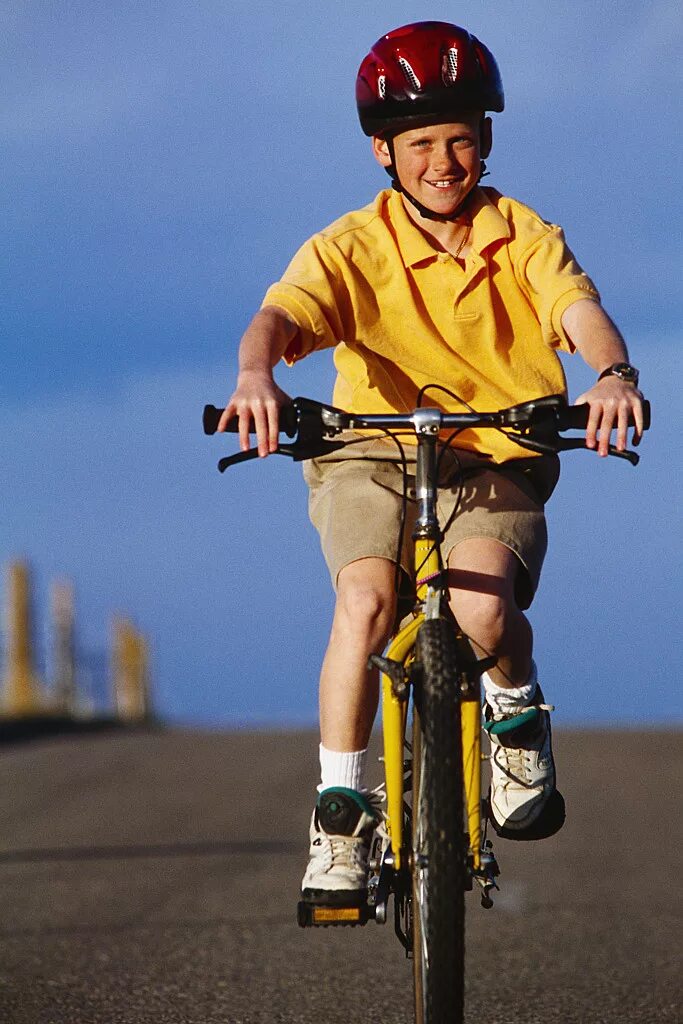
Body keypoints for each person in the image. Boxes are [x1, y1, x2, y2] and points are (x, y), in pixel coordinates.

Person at [218, 21, 645, 906]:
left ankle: (516, 716)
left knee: (484, 613)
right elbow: (279, 317)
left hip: (497, 447)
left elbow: (577, 312)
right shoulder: (350, 245)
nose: (443, 160)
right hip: (368, 448)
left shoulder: (520, 233)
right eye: (420, 142)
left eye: (460, 137)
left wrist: (610, 375)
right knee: (366, 599)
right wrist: (256, 376)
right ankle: (339, 818)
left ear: (485, 139)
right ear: (382, 150)